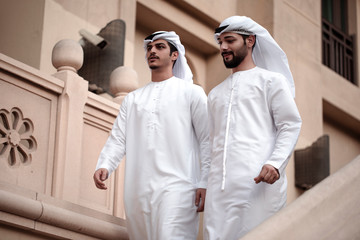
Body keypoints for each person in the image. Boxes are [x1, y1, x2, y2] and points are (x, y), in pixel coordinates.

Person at [93, 31, 211, 240]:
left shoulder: (191, 93)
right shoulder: (133, 99)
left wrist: (205, 181)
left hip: (178, 186)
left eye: (160, 47)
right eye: (149, 48)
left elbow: (207, 139)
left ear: (175, 55)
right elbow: (119, 138)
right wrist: (105, 165)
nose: (152, 51)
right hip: (138, 190)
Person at [203, 16, 302, 239]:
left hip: (258, 187)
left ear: (250, 41)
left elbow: (290, 124)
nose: (223, 47)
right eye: (220, 42)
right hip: (219, 193)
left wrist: (275, 163)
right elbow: (210, 143)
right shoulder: (215, 94)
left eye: (230, 40)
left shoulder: (271, 81)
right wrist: (202, 182)